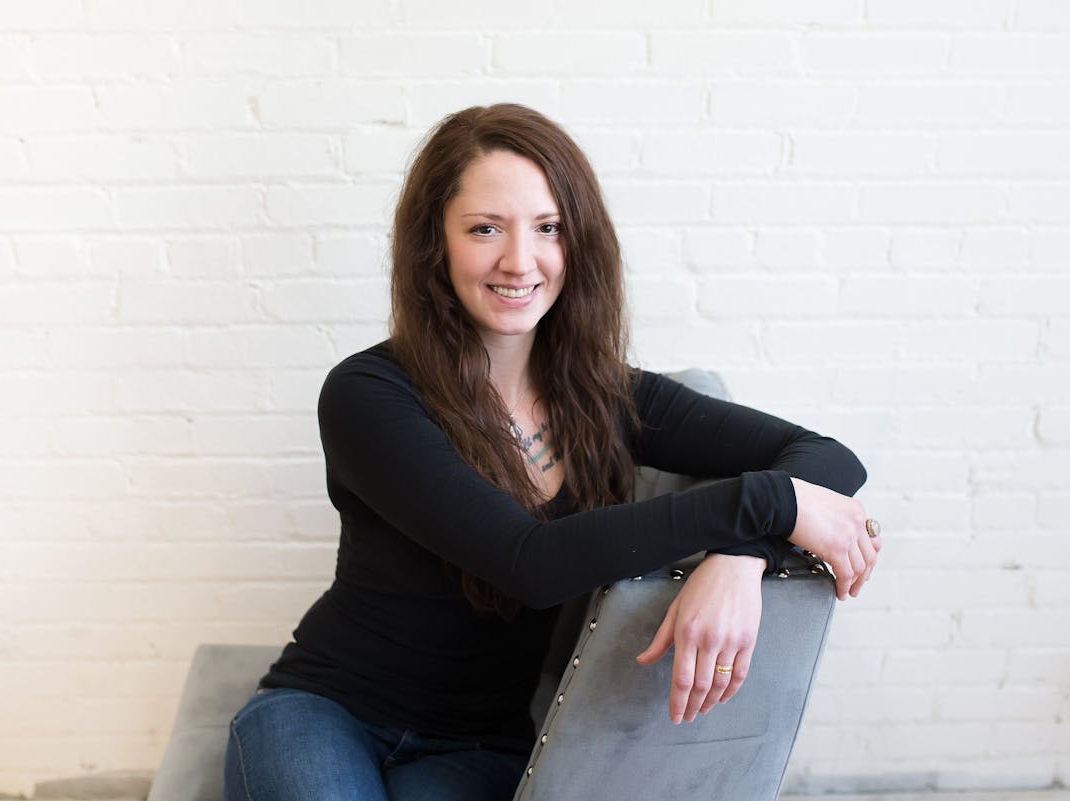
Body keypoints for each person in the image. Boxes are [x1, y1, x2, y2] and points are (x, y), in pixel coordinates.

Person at [223, 103, 880, 801]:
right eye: (484, 229)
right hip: (326, 710)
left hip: (476, 746)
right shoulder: (369, 395)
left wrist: (746, 554)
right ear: (435, 244)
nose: (519, 260)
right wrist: (770, 504)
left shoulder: (611, 398)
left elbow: (825, 455)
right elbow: (528, 561)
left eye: (547, 229)